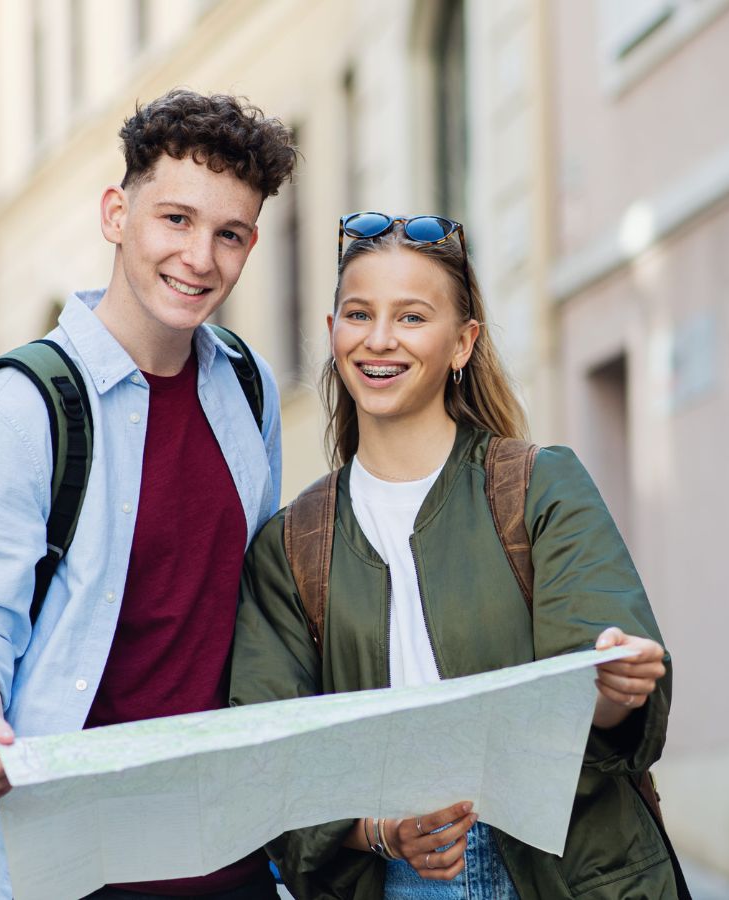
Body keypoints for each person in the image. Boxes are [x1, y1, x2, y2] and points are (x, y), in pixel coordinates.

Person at [0, 89, 296, 900]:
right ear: (116, 214)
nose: (200, 258)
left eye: (230, 234)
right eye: (175, 219)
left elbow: (250, 604)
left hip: (229, 859)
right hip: (69, 864)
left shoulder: (247, 387)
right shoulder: (20, 407)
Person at [230, 213, 676, 899]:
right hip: (395, 879)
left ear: (462, 343)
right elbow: (270, 763)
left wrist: (615, 688)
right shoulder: (290, 547)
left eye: (411, 317)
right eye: (359, 314)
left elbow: (601, 695)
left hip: (568, 872)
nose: (379, 340)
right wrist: (380, 829)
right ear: (331, 333)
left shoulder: (538, 486)